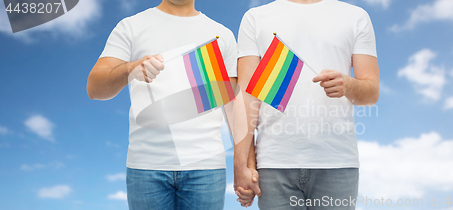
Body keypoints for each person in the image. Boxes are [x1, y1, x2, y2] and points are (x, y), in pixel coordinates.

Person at [86, 0, 238, 209]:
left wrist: (243, 164)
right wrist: (130, 69)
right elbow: (94, 88)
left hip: (206, 167)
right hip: (146, 166)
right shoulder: (131, 26)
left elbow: (233, 105)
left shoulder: (223, 35)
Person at [233, 0, 380, 209]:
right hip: (274, 164)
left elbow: (371, 92)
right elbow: (246, 96)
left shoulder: (356, 16)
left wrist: (348, 85)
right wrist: (241, 164)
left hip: (337, 163)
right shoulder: (255, 18)